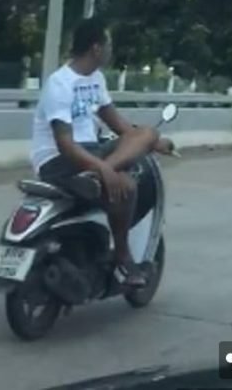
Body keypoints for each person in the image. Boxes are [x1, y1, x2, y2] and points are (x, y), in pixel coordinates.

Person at [30, 17, 174, 287]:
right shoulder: (60, 84)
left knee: (147, 132)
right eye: (108, 44)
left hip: (90, 154)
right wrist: (105, 168)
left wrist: (152, 142)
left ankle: (97, 180)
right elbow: (64, 144)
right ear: (96, 48)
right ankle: (122, 257)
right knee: (126, 187)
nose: (111, 50)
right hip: (58, 161)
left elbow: (119, 125)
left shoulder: (95, 79)